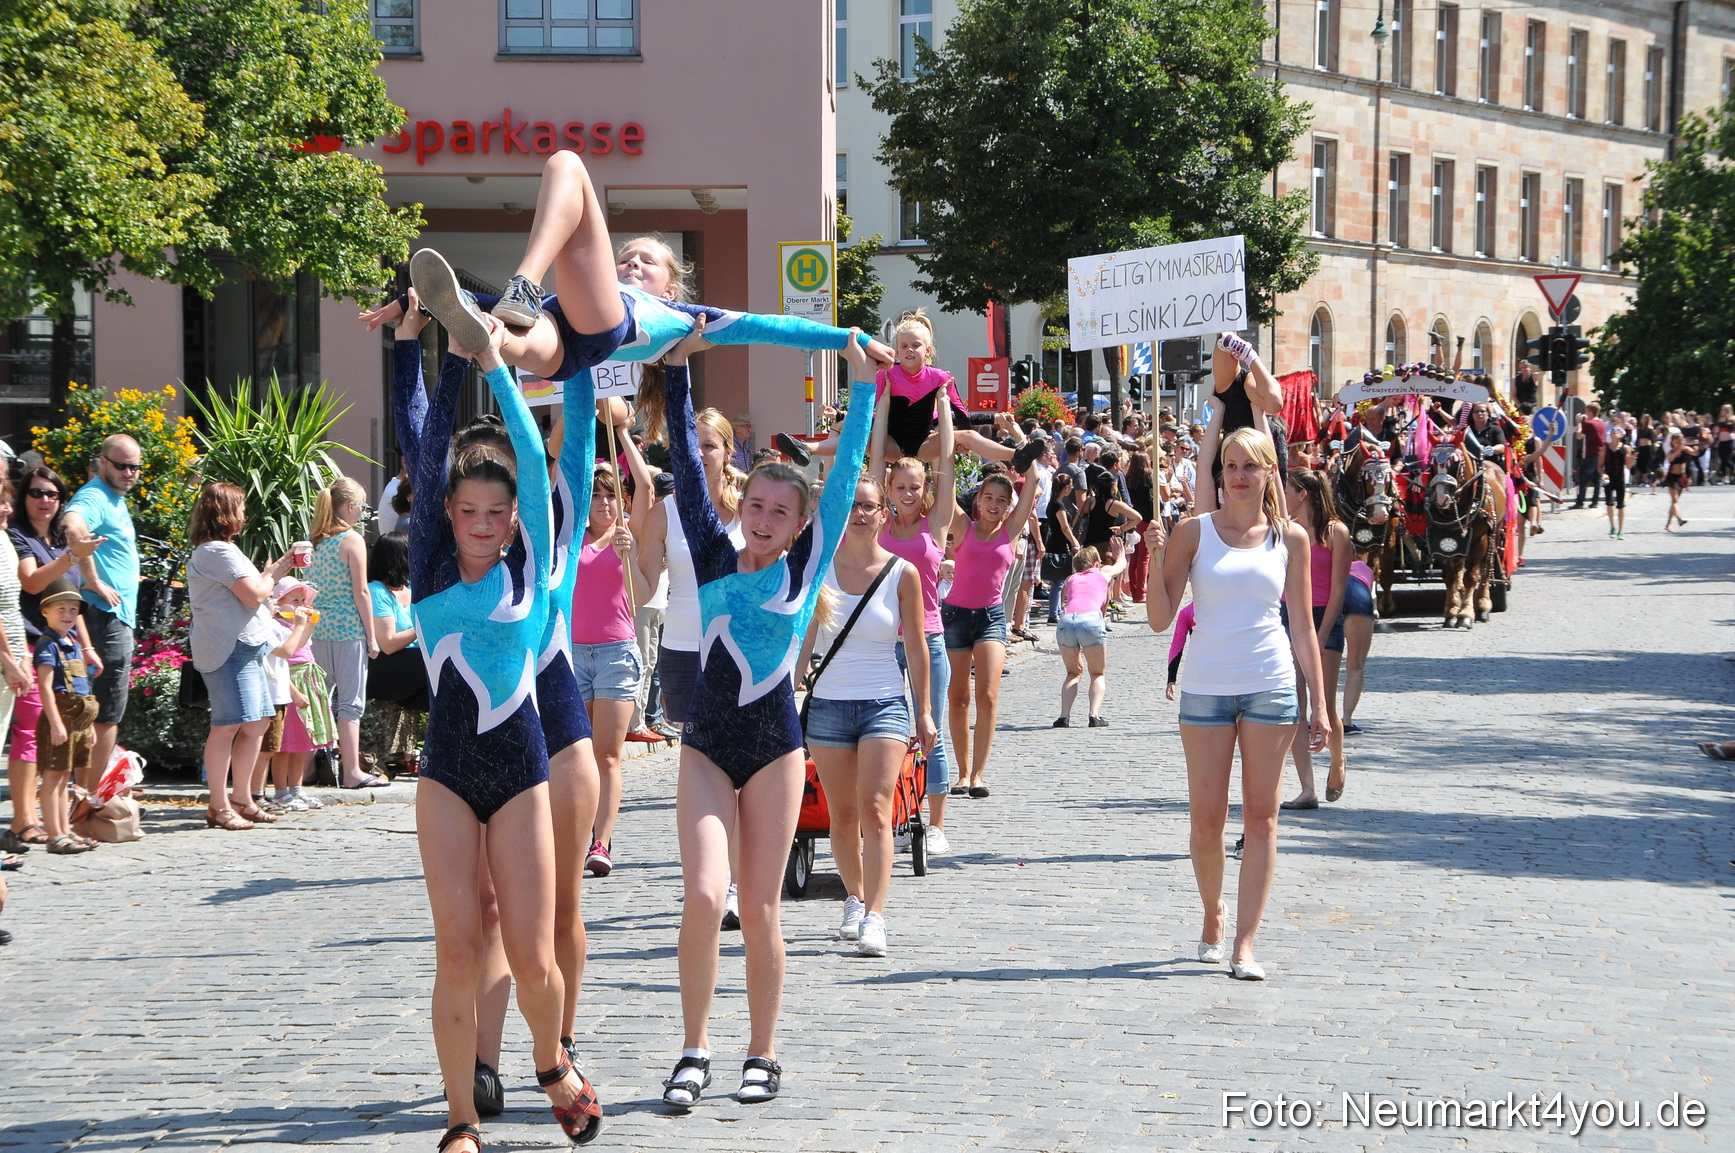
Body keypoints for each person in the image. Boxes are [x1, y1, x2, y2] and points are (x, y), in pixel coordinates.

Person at [657, 320, 875, 1109]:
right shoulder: (714, 557)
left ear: (798, 523)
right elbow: (684, 465)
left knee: (758, 905)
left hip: (777, 749)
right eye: (756, 503)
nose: (764, 517)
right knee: (704, 896)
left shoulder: (802, 568)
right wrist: (678, 369)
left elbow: (847, 471)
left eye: (782, 511)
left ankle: (763, 1049)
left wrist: (863, 383)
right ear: (741, 501)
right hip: (708, 746)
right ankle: (693, 1047)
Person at [403, 317, 601, 1153]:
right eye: (469, 509)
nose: (484, 522)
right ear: (448, 512)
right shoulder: (429, 568)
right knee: (457, 949)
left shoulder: (533, 565)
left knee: (533, 956)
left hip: (522, 772)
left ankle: (551, 1062)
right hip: (446, 774)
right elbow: (422, 457)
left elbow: (539, 454)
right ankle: (460, 1118)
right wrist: (448, 363)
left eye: (498, 510)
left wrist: (493, 363)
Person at [362, 151, 894, 402]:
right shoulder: (584, 292)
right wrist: (419, 301)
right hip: (564, 342)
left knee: (567, 164)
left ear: (671, 287)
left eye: (647, 262)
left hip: (601, 329)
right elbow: (474, 294)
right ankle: (490, 339)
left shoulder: (689, 319)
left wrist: (851, 337)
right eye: (625, 259)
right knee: (509, 334)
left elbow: (772, 325)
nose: (632, 264)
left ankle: (516, 295)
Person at [1143, 425, 1329, 982]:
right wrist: (1154, 559)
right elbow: (1158, 617)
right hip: (1205, 686)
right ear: (1218, 473)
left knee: (1262, 817)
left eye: (1251, 465)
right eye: (1230, 466)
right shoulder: (1192, 533)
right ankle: (1212, 912)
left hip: (1269, 682)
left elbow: (1301, 624)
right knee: (1206, 820)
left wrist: (1319, 702)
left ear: (1271, 471)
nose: (1239, 476)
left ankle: (1245, 943)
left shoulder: (1290, 537)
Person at [797, 475, 935, 958]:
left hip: (883, 702)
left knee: (877, 809)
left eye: (869, 506)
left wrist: (925, 711)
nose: (860, 513)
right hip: (829, 704)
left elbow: (916, 647)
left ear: (885, 514)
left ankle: (876, 914)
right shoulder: (819, 569)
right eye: (852, 505)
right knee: (843, 814)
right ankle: (854, 898)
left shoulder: (903, 573)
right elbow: (807, 636)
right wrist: (793, 679)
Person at [185, 484, 302, 832]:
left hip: (246, 644)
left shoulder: (225, 550)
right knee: (227, 725)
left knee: (257, 722)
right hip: (228, 646)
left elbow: (256, 593)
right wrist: (274, 573)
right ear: (224, 513)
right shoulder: (215, 551)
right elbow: (254, 594)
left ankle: (242, 798)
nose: (244, 516)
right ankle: (219, 806)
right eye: (239, 509)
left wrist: (276, 570)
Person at [874, 390, 958, 854]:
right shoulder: (877, 527)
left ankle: (936, 823)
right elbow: (873, 453)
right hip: (885, 640)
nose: (909, 493)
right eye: (900, 486)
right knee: (889, 734)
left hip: (928, 637)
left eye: (916, 486)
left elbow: (945, 453)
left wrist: (941, 401)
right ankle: (901, 814)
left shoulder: (937, 525)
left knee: (931, 729)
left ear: (926, 490)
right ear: (888, 489)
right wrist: (884, 398)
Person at [4, 468, 101, 854]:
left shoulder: (59, 538)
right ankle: (24, 819)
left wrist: (87, 645)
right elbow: (32, 583)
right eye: (36, 492)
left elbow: (69, 601)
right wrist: (72, 556)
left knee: (51, 734)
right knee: (31, 732)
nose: (45, 500)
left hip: (65, 648)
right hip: (30, 642)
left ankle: (40, 819)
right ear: (23, 497)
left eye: (53, 494)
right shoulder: (16, 536)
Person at [942, 439, 1045, 799]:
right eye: (990, 498)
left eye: (1002, 500)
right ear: (978, 500)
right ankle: (962, 772)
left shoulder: (1010, 531)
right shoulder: (963, 527)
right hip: (954, 616)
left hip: (990, 617)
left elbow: (1032, 484)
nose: (995, 504)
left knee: (986, 694)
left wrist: (1022, 452)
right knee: (958, 696)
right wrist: (952, 450)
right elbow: (946, 486)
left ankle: (979, 774)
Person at [574, 461, 655, 878]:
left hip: (616, 655)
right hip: (573, 654)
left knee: (607, 754)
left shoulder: (629, 537)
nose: (604, 503)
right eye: (596, 495)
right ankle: (580, 832)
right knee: (578, 754)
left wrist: (622, 431)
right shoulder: (571, 540)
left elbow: (643, 595)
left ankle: (602, 841)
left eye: (611, 496)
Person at [809, 311, 1019, 465]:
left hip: (924, 445)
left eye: (915, 345)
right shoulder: (887, 375)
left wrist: (965, 440)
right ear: (896, 351)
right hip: (890, 444)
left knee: (970, 437)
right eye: (903, 346)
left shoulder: (940, 377)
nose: (909, 350)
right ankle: (808, 449)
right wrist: (840, 417)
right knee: (856, 435)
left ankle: (1017, 456)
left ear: (927, 350)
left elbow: (960, 413)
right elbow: (867, 412)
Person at [61, 433, 142, 793]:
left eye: (135, 467)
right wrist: (91, 579)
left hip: (113, 616)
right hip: (104, 616)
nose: (129, 473)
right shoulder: (94, 495)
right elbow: (73, 525)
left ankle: (83, 796)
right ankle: (88, 800)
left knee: (100, 711)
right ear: (104, 463)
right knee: (104, 713)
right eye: (122, 466)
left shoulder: (115, 499)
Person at [1277, 468, 1350, 810]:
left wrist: (1320, 636)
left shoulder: (1336, 533)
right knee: (1295, 705)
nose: (1284, 497)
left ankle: (1337, 760)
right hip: (1288, 615)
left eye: (1288, 490)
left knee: (1326, 704)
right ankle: (1307, 788)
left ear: (1302, 494)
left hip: (1323, 618)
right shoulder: (1285, 530)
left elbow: (1338, 592)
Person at [307, 477, 385, 790]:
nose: (363, 512)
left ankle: (308, 770)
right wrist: (373, 636)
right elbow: (361, 592)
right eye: (362, 506)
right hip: (349, 629)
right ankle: (352, 771)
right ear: (351, 507)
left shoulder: (316, 540)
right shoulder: (351, 540)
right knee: (350, 704)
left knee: (318, 701)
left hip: (317, 630)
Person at [32, 579, 102, 854]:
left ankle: (65, 829)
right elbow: (46, 689)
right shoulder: (48, 645)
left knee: (65, 778)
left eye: (73, 610)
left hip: (78, 720)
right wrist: (56, 723)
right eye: (60, 608)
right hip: (59, 719)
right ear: (45, 612)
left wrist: (88, 724)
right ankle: (54, 834)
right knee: (53, 777)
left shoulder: (72, 642)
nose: (68, 615)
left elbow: (83, 686)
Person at [0, 479, 43, 857]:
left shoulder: (3, 540)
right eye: (0, 503)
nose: (7, 510)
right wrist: (9, 659)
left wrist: (21, 656)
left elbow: (9, 607)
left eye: (6, 502)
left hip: (17, 654)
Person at [266, 579, 333, 811]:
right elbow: (282, 661)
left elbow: (303, 644)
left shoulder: (297, 626)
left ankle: (297, 789)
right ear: (279, 602)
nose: (300, 604)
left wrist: (309, 623)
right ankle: (281, 791)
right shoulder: (277, 627)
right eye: (294, 600)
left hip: (308, 681)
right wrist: (294, 692)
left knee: (302, 744)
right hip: (290, 685)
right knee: (285, 745)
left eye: (303, 600)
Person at [1052, 546, 1128, 728]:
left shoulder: (1070, 579)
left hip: (1067, 620)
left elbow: (1067, 599)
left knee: (1073, 672)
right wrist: (1121, 553)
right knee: (1097, 673)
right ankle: (1094, 715)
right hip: (1091, 620)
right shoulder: (1101, 572)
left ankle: (1064, 716)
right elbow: (1121, 565)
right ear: (1095, 563)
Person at [1339, 559, 1376, 735]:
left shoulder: (1326, 563)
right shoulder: (1364, 567)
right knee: (1355, 664)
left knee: (1319, 663)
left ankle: (1320, 715)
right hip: (1359, 596)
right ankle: (1346, 720)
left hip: (1329, 592)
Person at [1572, 403, 1607, 509]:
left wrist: (1579, 423)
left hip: (1591, 454)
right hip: (1601, 453)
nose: (1585, 413)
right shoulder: (1602, 423)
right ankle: (1594, 501)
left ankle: (1580, 501)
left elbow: (1579, 435)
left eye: (1586, 411)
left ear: (1591, 411)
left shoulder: (1589, 424)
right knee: (1597, 479)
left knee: (1584, 478)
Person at [1604, 428, 1631, 539]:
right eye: (1613, 430)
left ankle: (1621, 530)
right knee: (1609, 504)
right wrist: (1603, 474)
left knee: (1620, 505)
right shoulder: (1605, 448)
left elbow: (1628, 466)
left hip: (1620, 478)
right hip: (1609, 478)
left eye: (1618, 430)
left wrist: (1631, 459)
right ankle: (1612, 527)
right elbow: (1599, 465)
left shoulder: (1626, 448)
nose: (1615, 431)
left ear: (1621, 435)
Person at [1664, 432, 1691, 531]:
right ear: (1672, 443)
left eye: (1680, 442)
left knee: (1674, 502)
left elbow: (1695, 453)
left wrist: (1696, 448)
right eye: (1676, 442)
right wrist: (1678, 450)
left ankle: (1668, 524)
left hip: (1681, 477)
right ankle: (1679, 519)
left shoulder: (1685, 450)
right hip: (1672, 478)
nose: (1678, 444)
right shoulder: (1671, 452)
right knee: (1675, 500)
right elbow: (1670, 459)